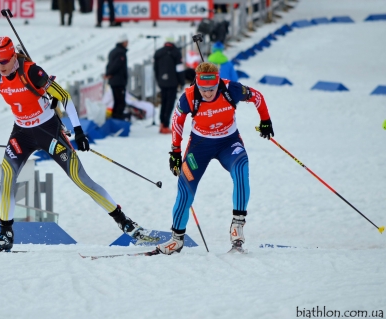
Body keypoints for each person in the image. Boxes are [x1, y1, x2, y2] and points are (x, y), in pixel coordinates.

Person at [0, 36, 158, 251]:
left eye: (4, 61)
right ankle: (5, 233)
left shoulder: (31, 71)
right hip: (21, 134)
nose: (0, 66)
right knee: (7, 178)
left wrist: (78, 130)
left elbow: (64, 96)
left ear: (13, 57)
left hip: (48, 132)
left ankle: (125, 222)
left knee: (80, 179)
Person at [155, 62, 274, 255]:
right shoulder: (189, 96)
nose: (207, 93)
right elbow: (177, 121)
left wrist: (265, 120)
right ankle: (176, 239)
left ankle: (237, 225)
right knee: (185, 190)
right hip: (200, 146)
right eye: (203, 89)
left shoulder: (231, 89)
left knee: (242, 170)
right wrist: (175, 151)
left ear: (217, 83)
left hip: (229, 143)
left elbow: (257, 97)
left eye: (211, 89)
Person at [153, 35, 185, 134]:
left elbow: (155, 68)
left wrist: (159, 80)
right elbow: (179, 69)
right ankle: (165, 125)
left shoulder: (158, 52)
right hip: (172, 82)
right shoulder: (176, 52)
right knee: (169, 103)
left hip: (162, 81)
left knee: (163, 102)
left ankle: (162, 123)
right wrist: (182, 82)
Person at [105, 34, 129, 120]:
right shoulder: (121, 53)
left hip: (114, 80)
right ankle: (118, 118)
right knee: (120, 101)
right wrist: (109, 73)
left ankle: (116, 117)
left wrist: (108, 73)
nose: (128, 43)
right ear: (123, 42)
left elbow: (109, 65)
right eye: (126, 42)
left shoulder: (113, 51)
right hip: (118, 81)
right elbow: (116, 65)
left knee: (117, 100)